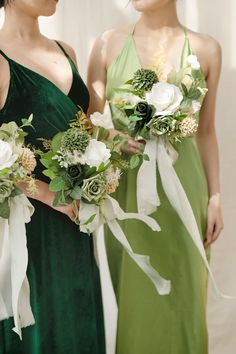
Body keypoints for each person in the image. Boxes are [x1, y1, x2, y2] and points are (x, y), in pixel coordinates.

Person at [88, 0, 223, 353]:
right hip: (127, 195)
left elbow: (206, 132)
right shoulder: (107, 43)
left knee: (185, 301)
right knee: (135, 301)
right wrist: (114, 136)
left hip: (185, 191)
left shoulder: (207, 49)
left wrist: (215, 198)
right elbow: (90, 120)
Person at [0, 1, 105, 353]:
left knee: (78, 313)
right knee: (43, 323)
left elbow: (82, 127)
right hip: (30, 223)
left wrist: (108, 144)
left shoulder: (66, 50)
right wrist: (48, 195)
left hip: (75, 218)